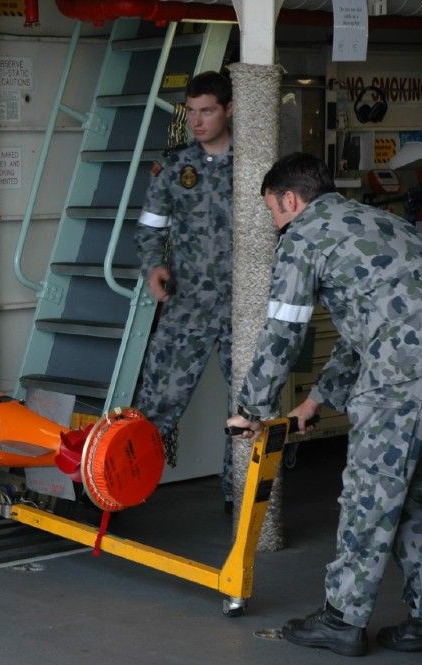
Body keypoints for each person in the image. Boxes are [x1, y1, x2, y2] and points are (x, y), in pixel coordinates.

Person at [227, 152, 422, 656]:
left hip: (402, 375)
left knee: (369, 496)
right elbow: (363, 329)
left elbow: (283, 331)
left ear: (290, 199)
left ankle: (342, 618)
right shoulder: (379, 222)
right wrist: (316, 400)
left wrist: (251, 409)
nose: (276, 224)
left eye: (273, 212)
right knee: (413, 496)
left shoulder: (304, 236)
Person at [132, 70, 235, 509]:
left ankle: (240, 495)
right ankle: (124, 486)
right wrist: (153, 266)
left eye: (206, 111)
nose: (196, 121)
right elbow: (150, 228)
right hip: (188, 303)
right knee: (158, 399)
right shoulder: (175, 167)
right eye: (191, 111)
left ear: (228, 110)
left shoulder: (255, 165)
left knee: (249, 407)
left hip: (244, 305)